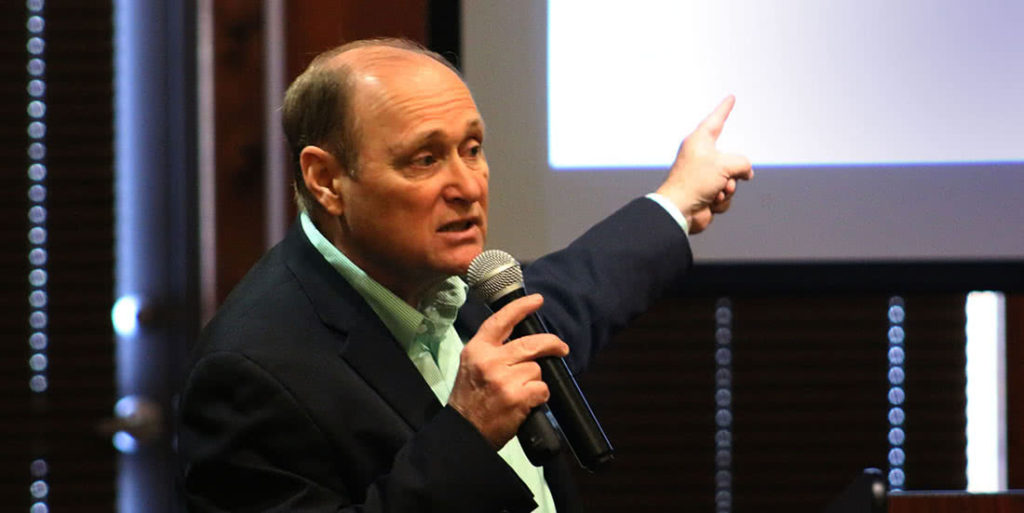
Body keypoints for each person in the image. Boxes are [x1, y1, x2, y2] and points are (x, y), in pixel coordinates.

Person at [178, 38, 752, 513]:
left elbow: (584, 289)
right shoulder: (249, 371)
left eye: (472, 149)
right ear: (328, 180)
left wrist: (677, 201)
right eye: (425, 159)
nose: (468, 185)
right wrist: (467, 433)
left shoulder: (456, 283)